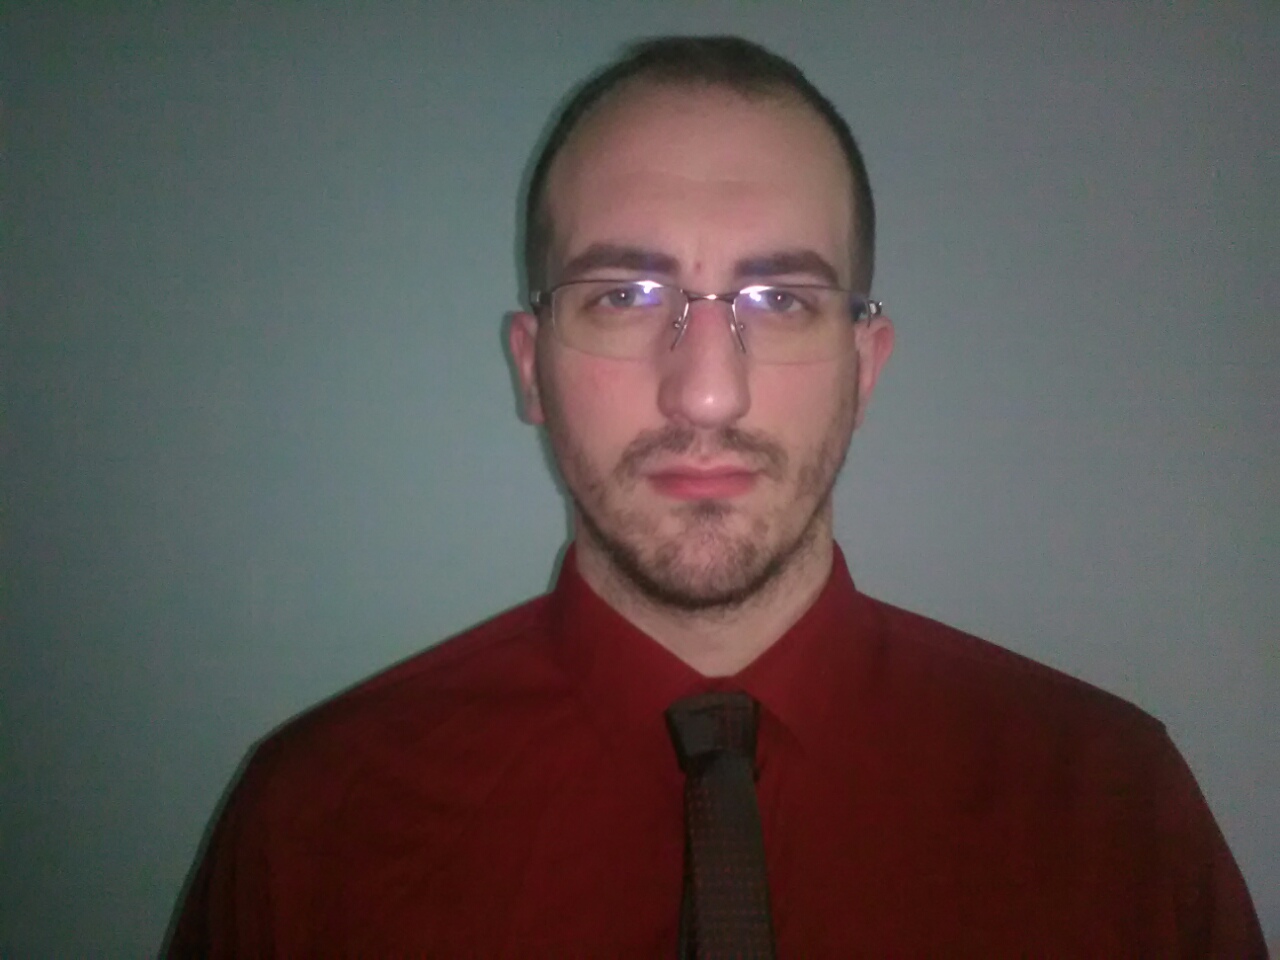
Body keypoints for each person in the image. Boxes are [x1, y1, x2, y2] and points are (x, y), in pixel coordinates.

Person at [169, 35, 1264, 957]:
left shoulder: (1118, 809)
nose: (704, 390)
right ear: (531, 368)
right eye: (623, 295)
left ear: (864, 367)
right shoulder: (313, 824)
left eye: (781, 299)